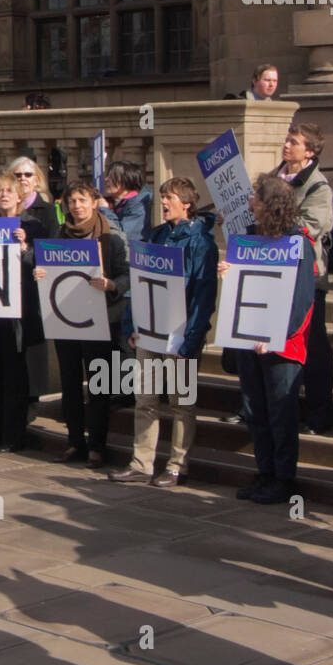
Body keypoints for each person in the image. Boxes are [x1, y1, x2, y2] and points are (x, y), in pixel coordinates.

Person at [110, 177, 218, 487]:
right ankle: (142, 462)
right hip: (150, 331)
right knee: (145, 398)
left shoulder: (201, 242)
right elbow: (139, 281)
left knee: (181, 402)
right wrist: (132, 325)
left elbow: (203, 295)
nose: (164, 202)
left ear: (186, 203)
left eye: (169, 197)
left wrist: (191, 338)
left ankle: (176, 465)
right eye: (162, 196)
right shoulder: (156, 236)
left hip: (180, 333)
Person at [227, 175, 317, 505]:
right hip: (249, 339)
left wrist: (276, 336)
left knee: (281, 412)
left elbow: (303, 299)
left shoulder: (299, 242)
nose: (251, 201)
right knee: (255, 409)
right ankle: (263, 472)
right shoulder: (249, 237)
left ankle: (283, 477)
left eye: (256, 197)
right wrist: (230, 272)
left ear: (271, 204)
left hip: (283, 346)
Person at [41, 181, 129, 469]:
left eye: (82, 200)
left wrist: (112, 284)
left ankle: (97, 446)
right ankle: (74, 441)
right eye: (72, 201)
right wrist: (39, 272)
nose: (77, 206)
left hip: (101, 320)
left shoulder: (111, 237)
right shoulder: (59, 234)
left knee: (98, 386)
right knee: (69, 384)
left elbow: (128, 275)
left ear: (94, 202)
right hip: (66, 319)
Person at [0, 172, 44, 452]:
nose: (3, 195)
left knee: (14, 374)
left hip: (18, 313)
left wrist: (25, 248)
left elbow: (42, 265)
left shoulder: (33, 225)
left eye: (9, 191)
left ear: (19, 197)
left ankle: (12, 435)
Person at [274, 123, 333, 434]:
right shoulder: (274, 178)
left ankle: (317, 412)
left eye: (295, 142)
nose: (287, 146)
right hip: (271, 271)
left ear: (309, 151)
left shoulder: (318, 187)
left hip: (307, 276)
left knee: (314, 345)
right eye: (287, 139)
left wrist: (272, 215)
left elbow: (312, 226)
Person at [100, 160, 152, 243]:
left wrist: (105, 209)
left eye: (112, 176)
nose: (106, 179)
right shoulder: (113, 202)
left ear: (126, 180)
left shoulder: (138, 205)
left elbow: (122, 235)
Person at [9, 156, 60, 237]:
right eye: (18, 175)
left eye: (28, 175)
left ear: (36, 181)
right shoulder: (3, 207)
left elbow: (52, 242)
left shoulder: (48, 210)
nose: (22, 178)